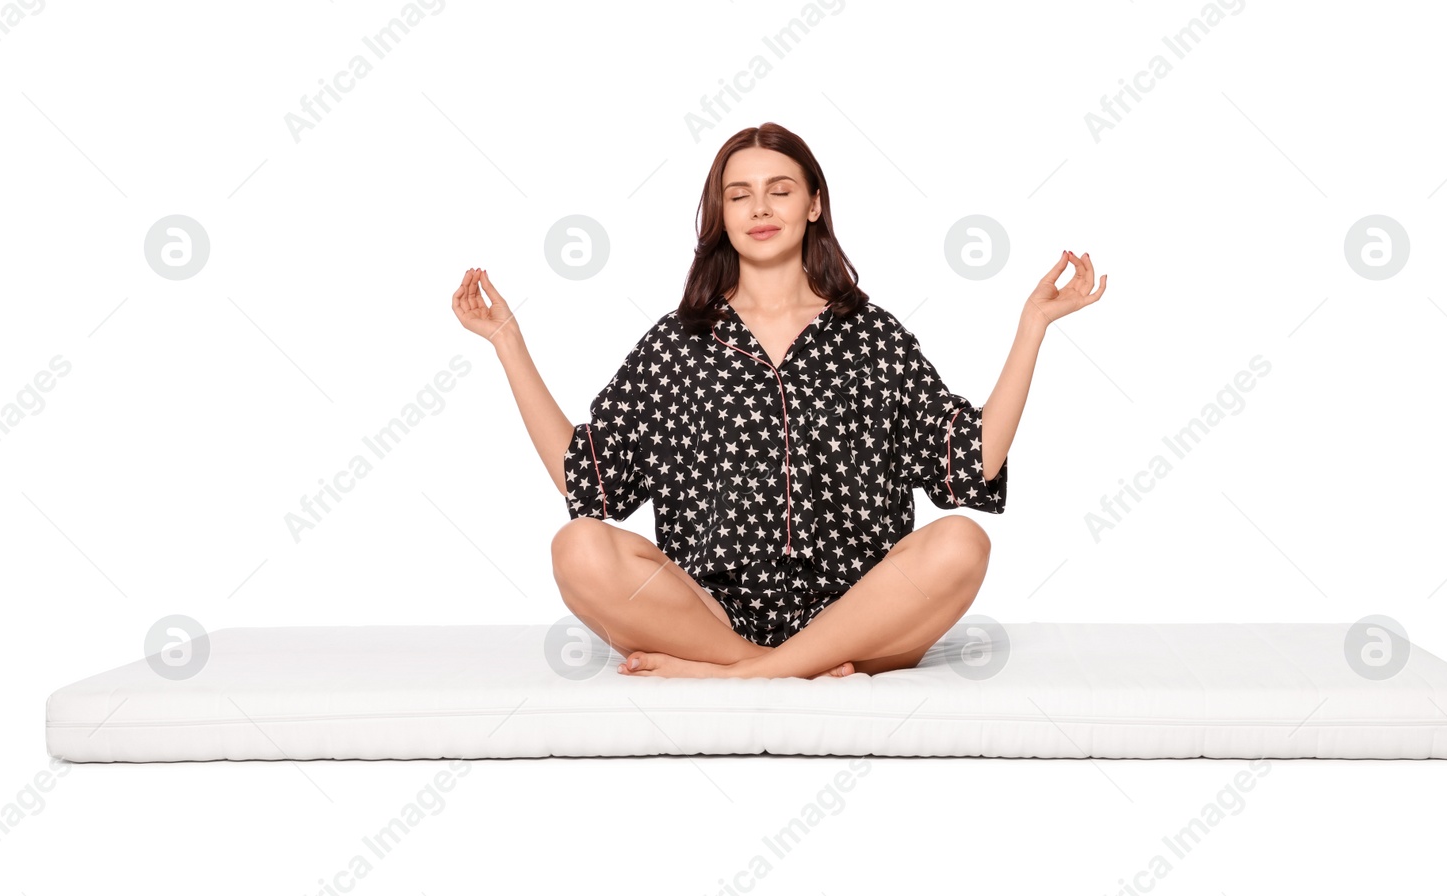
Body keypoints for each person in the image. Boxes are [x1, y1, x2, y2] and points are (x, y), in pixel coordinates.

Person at [452, 122, 1107, 680]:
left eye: (780, 190)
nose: (760, 207)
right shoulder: (681, 342)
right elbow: (588, 478)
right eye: (739, 195)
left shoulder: (869, 335)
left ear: (814, 204)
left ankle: (746, 677)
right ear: (722, 215)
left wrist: (1032, 327)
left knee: (963, 541)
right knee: (578, 548)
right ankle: (767, 667)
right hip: (704, 618)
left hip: (860, 622)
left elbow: (968, 464)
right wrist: (507, 341)